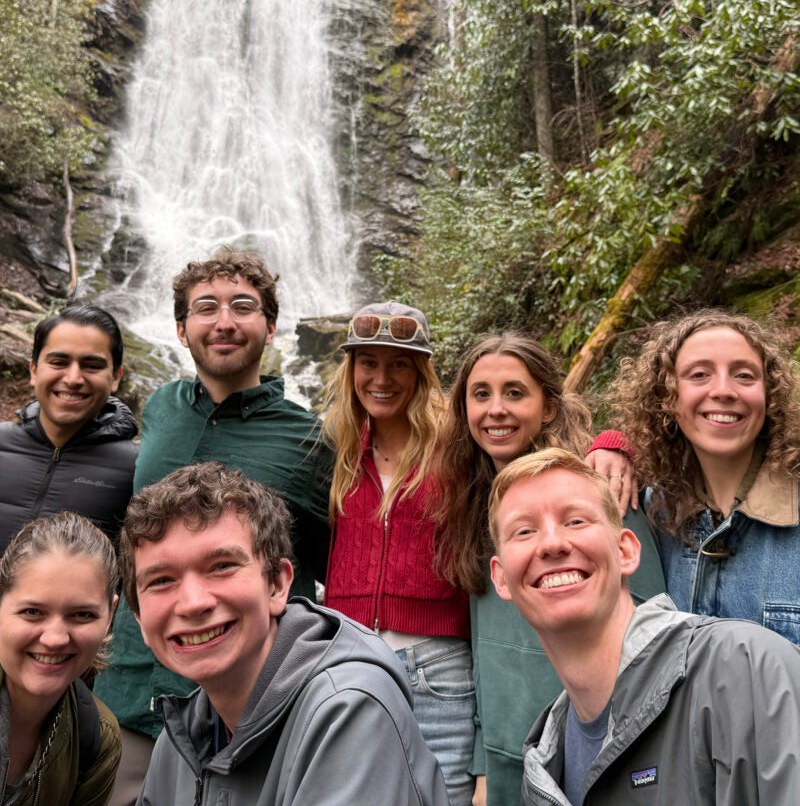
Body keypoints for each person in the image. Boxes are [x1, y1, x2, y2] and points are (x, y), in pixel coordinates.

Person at [94, 248, 333, 805]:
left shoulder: (310, 440)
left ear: (270, 328)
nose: (224, 322)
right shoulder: (159, 409)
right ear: (181, 329)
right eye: (206, 308)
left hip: (249, 705)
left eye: (243, 307)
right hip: (131, 686)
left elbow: (325, 569)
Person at [120, 461, 450, 806]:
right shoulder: (185, 735)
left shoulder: (348, 711)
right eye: (161, 581)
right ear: (140, 619)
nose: (192, 603)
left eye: (222, 567)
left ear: (277, 584)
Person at [488, 448, 800, 805]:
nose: (553, 544)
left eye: (575, 521)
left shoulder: (746, 670)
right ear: (501, 579)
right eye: (524, 531)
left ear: (626, 552)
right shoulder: (544, 767)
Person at [435, 333, 665, 806]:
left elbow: (652, 632)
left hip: (601, 755)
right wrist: (482, 768)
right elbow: (483, 652)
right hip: (505, 762)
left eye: (515, 393)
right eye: (481, 395)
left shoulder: (596, 494)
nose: (495, 409)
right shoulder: (469, 503)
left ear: (548, 407)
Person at [322, 301, 474, 805]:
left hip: (439, 669)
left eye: (398, 363)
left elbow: (540, 447)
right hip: (349, 658)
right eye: (368, 362)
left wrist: (611, 445)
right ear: (351, 370)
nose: (381, 377)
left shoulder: (457, 445)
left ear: (421, 372)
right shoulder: (337, 448)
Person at [611, 308, 800, 642]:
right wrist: (610, 448)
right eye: (699, 375)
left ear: (770, 395)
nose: (724, 390)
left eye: (744, 375)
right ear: (667, 397)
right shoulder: (649, 513)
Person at [0, 511, 121, 805]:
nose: (55, 639)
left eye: (82, 615)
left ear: (111, 615)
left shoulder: (96, 738)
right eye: (32, 612)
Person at [0, 304, 137, 551]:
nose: (73, 379)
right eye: (58, 362)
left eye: (92, 366)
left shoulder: (138, 470)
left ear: (116, 377)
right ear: (34, 370)